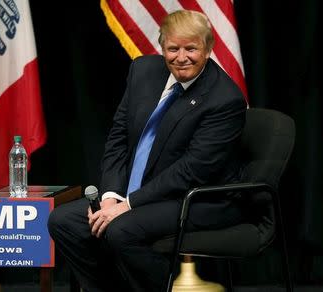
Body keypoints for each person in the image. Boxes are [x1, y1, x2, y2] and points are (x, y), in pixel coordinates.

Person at [48, 9, 247, 292]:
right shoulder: (143, 71)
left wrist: (127, 205)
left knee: (120, 230)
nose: (181, 57)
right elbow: (118, 138)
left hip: (198, 198)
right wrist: (110, 198)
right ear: (162, 46)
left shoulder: (224, 99)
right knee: (63, 220)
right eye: (173, 48)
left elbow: (192, 170)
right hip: (138, 193)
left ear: (208, 48)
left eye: (191, 48)